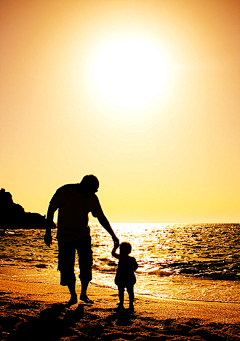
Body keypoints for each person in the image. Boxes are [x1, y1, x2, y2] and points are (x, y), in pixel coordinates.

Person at [44, 174, 119, 306]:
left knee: (86, 265)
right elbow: (51, 208)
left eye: (96, 191)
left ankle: (84, 294)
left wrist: (113, 235)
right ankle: (73, 295)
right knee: (67, 268)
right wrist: (48, 232)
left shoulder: (92, 199)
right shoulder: (65, 191)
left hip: (83, 236)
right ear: (84, 185)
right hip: (65, 237)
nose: (94, 193)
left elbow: (101, 217)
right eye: (93, 189)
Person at [112, 241, 138, 311]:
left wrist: (131, 269)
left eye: (124, 250)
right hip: (121, 276)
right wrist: (115, 247)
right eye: (121, 250)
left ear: (128, 251)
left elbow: (136, 266)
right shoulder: (120, 257)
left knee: (130, 291)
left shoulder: (131, 259)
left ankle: (131, 304)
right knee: (121, 290)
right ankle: (121, 303)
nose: (122, 252)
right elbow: (113, 254)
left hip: (128, 277)